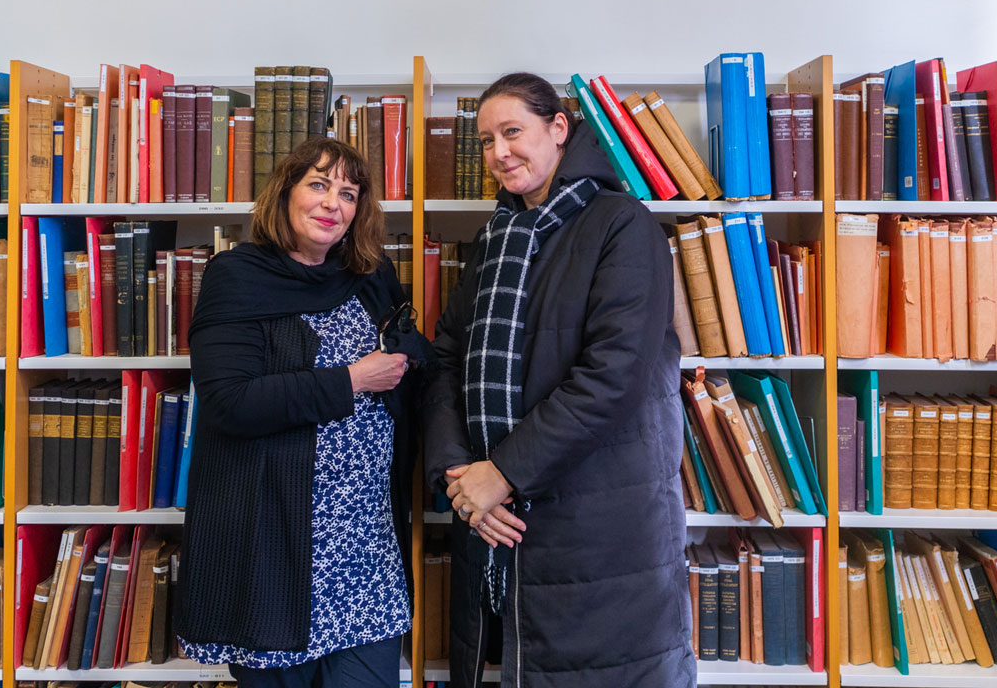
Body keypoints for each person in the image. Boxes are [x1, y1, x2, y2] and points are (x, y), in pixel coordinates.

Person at [424, 73, 694, 687]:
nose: (499, 153)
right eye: (487, 140)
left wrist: (505, 473)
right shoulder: (494, 238)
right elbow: (445, 359)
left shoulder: (622, 225)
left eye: (512, 132)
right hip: (489, 522)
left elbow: (614, 375)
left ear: (559, 129)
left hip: (598, 528)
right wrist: (461, 479)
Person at [177, 137, 427, 688]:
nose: (332, 203)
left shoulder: (368, 273)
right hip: (273, 547)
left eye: (348, 193)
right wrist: (352, 380)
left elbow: (409, 354)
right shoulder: (236, 277)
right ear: (285, 194)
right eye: (317, 184)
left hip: (363, 545)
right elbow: (229, 403)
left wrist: (411, 358)